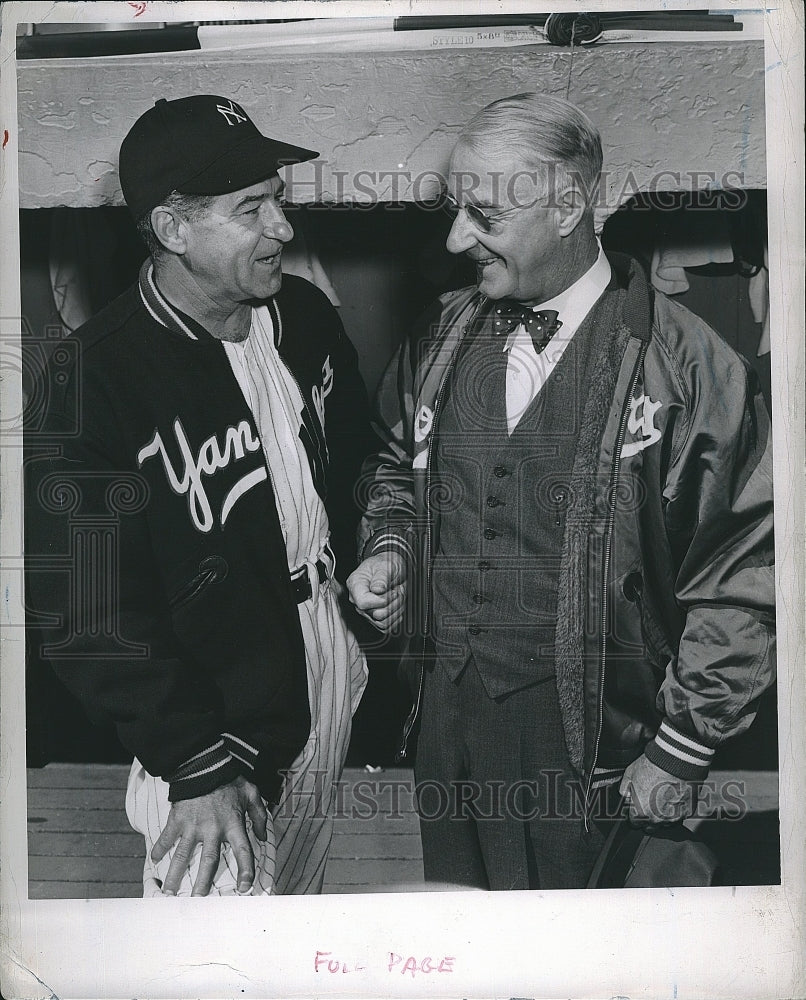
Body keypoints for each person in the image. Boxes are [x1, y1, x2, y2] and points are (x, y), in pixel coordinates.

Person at [348, 92, 776, 890]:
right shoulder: (441, 334)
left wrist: (681, 745)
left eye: (482, 214)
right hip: (448, 728)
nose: (454, 238)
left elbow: (746, 569)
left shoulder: (692, 367)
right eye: (455, 211)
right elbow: (391, 469)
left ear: (570, 203)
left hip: (599, 752)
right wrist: (394, 549)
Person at [25, 95, 373, 896]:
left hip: (323, 652)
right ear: (174, 229)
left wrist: (377, 548)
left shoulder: (305, 316)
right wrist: (193, 761)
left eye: (278, 198)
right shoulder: (96, 380)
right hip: (212, 712)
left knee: (298, 920)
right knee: (213, 962)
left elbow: (360, 455)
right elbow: (88, 612)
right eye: (251, 208)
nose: (282, 228)